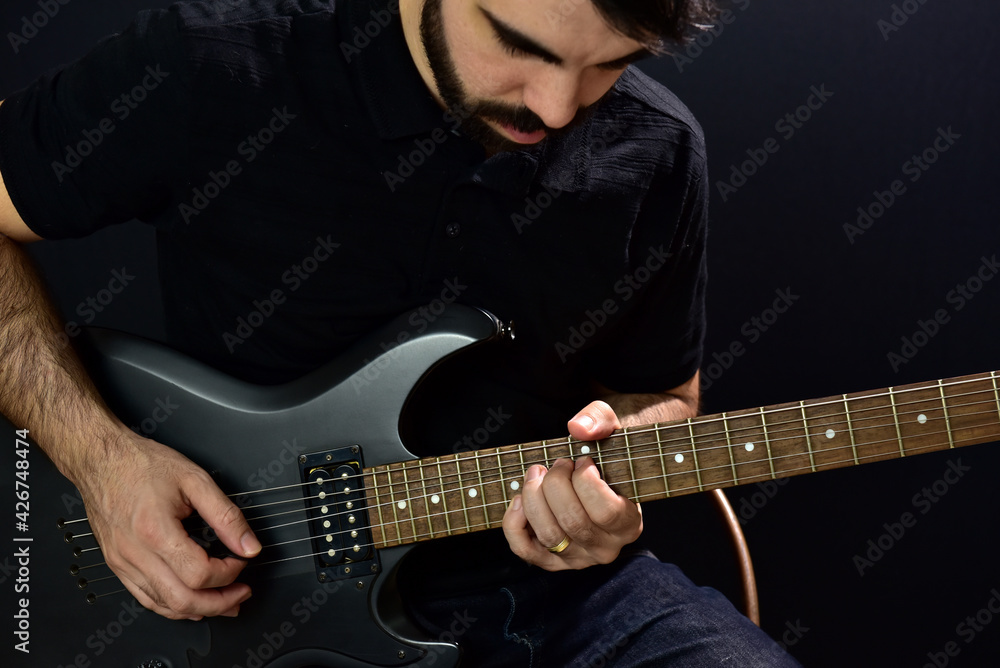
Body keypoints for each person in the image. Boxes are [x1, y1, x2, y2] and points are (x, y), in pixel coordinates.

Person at [0, 0, 800, 664]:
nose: (558, 109)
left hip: (554, 589)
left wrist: (605, 481)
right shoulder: (212, 62)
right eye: (518, 45)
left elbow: (662, 393)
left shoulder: (657, 151)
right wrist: (98, 457)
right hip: (240, 600)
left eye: (611, 64)